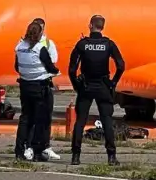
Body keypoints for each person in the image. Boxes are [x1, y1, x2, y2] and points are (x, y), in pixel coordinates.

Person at [67, 14, 125, 166]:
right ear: (103, 27)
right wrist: (113, 83)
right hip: (103, 86)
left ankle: (76, 156)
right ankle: (111, 156)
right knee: (107, 121)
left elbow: (72, 69)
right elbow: (121, 65)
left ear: (90, 25)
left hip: (86, 86)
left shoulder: (82, 44)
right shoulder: (108, 44)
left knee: (80, 121)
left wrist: (76, 85)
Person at [14, 18, 61, 162]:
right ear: (40, 33)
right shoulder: (40, 48)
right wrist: (56, 72)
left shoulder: (19, 47)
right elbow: (50, 67)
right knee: (41, 119)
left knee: (25, 118)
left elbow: (16, 67)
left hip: (25, 85)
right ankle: (38, 149)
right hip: (40, 86)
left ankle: (19, 150)